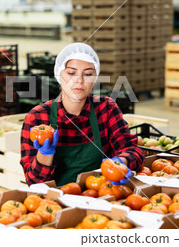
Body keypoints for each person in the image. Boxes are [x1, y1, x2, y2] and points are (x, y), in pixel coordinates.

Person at [20, 43, 144, 186]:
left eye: (88, 74)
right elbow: (34, 183)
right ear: (59, 74)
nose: (79, 80)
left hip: (101, 196)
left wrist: (121, 162)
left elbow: (132, 150)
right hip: (56, 203)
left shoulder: (106, 109)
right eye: (71, 73)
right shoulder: (37, 117)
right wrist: (44, 155)